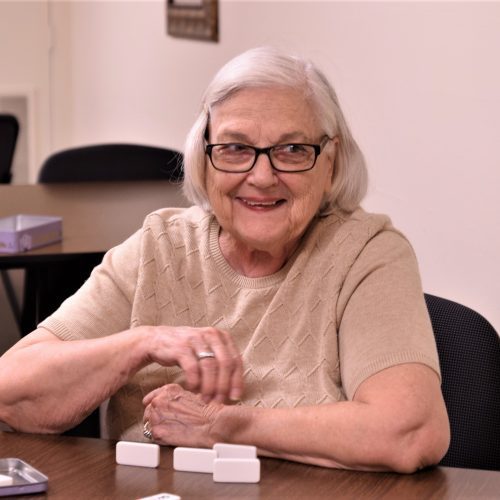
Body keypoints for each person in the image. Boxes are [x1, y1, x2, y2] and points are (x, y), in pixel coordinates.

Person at [0, 47, 449, 473]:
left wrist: (223, 426)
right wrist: (141, 342)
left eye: (292, 150)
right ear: (204, 159)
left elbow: (409, 430)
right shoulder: (160, 244)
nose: (261, 176)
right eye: (235, 148)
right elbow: (11, 392)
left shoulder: (367, 253)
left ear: (330, 162)